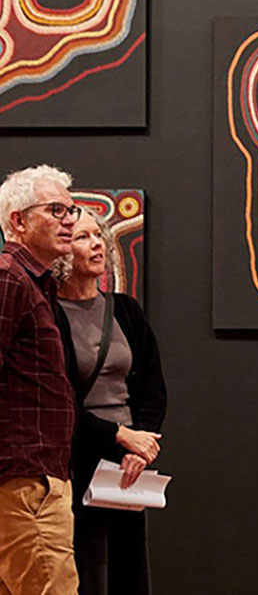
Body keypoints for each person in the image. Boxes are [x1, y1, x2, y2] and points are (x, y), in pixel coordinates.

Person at [52, 206, 165, 595]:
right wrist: (119, 435)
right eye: (83, 237)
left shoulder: (126, 310)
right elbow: (57, 400)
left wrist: (142, 444)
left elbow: (152, 387)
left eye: (98, 235)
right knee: (82, 565)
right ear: (63, 252)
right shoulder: (47, 314)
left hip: (127, 460)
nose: (97, 244)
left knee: (128, 564)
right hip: (74, 454)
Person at [0, 165, 81, 595]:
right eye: (56, 210)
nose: (70, 219)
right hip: (24, 483)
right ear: (18, 221)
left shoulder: (37, 284)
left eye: (72, 210)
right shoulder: (8, 278)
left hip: (34, 479)